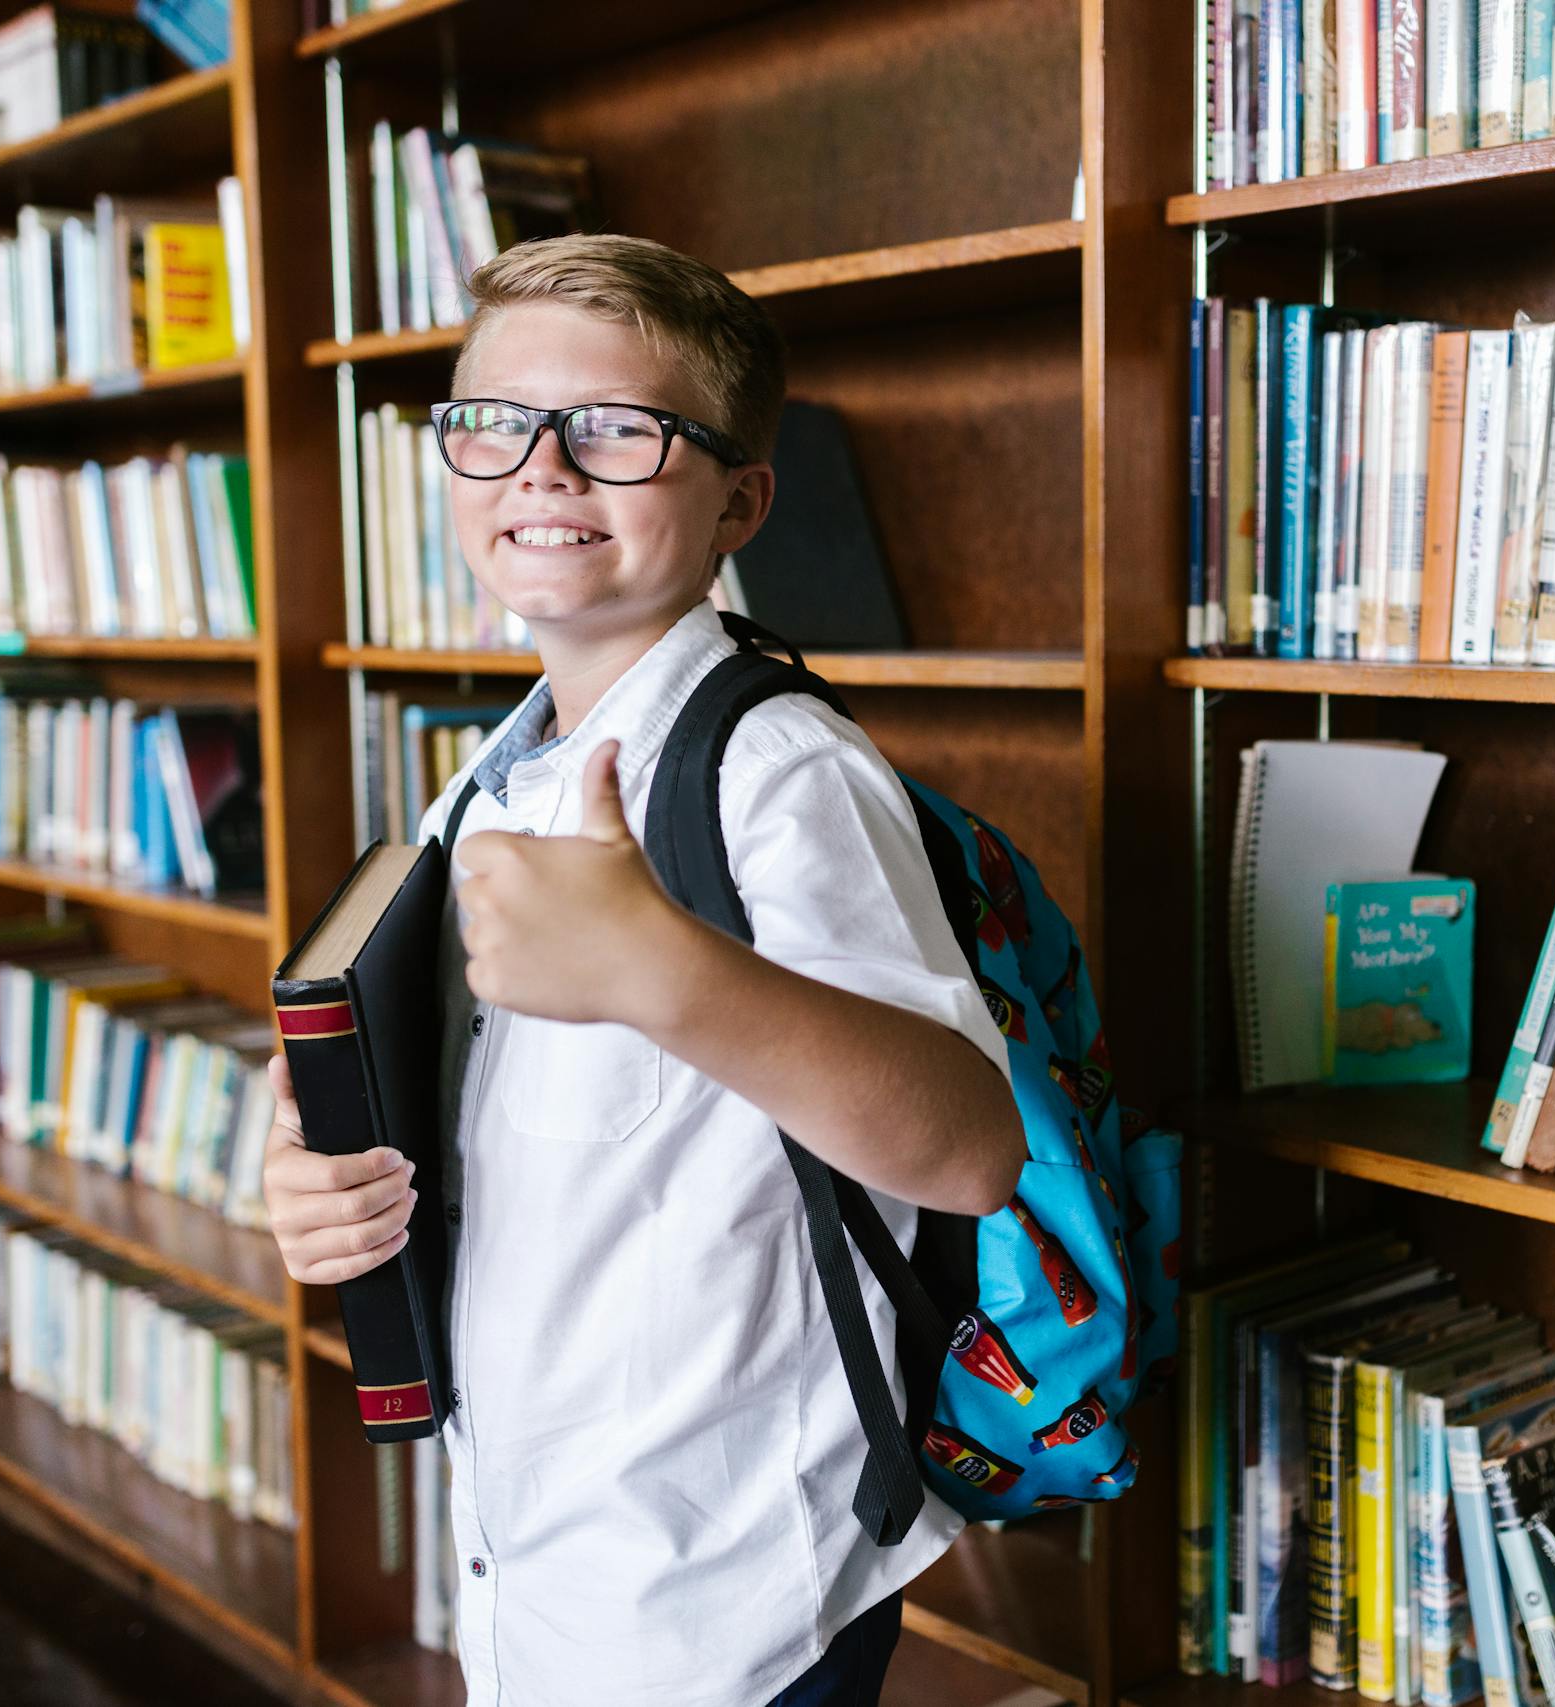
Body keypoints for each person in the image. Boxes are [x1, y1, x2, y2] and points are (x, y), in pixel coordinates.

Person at [257, 234, 1026, 1706]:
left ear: (739, 498)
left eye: (617, 429)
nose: (542, 471)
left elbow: (968, 1147)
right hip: (543, 1556)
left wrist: (660, 967)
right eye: (495, 425)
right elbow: (396, 1053)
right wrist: (296, 1160)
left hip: (723, 1586)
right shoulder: (495, 770)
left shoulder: (779, 771)